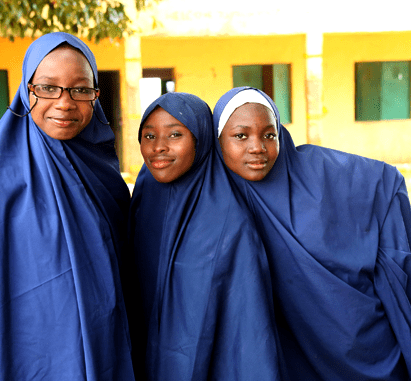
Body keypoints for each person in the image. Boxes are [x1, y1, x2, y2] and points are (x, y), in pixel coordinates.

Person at [0, 32, 135, 380]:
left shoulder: (107, 182)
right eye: (48, 87)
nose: (65, 102)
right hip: (26, 356)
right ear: (27, 93)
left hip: (104, 347)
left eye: (81, 89)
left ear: (96, 96)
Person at [214, 86, 411, 380]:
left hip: (362, 341)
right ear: (217, 141)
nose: (257, 147)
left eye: (270, 134)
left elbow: (383, 183)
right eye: (241, 136)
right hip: (292, 352)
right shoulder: (215, 195)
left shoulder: (318, 173)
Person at [127, 92, 284, 380]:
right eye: (148, 136)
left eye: (175, 134)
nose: (159, 147)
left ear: (202, 140)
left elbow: (248, 333)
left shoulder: (228, 221)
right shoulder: (146, 193)